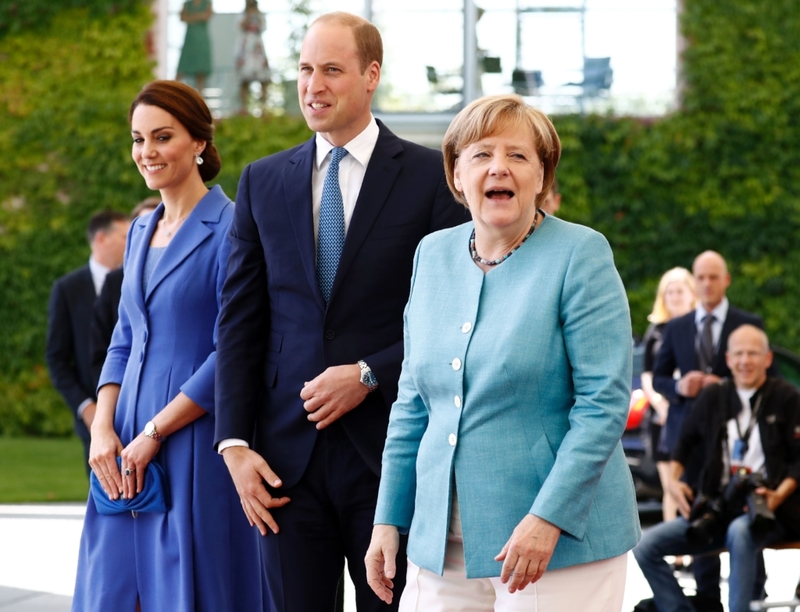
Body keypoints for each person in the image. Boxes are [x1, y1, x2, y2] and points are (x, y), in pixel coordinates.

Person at [214, 11, 468, 612]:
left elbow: (456, 317)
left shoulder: (434, 179)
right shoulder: (262, 182)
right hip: (282, 466)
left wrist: (368, 372)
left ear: (371, 74)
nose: (313, 86)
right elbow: (239, 323)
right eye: (304, 70)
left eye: (331, 70)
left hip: (389, 455)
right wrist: (233, 444)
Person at [365, 94, 640, 611]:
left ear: (542, 176)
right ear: (456, 175)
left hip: (557, 544)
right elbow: (412, 404)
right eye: (481, 154)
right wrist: (388, 518)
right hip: (439, 542)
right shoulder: (433, 254)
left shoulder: (581, 254)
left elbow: (602, 404)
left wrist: (549, 517)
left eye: (518, 155)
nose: (499, 168)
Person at [72, 80, 266, 611]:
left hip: (193, 442)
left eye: (162, 137)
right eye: (138, 139)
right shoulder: (139, 229)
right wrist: (102, 430)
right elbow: (123, 337)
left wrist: (156, 432)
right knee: (109, 590)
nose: (146, 153)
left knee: (189, 587)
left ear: (200, 142)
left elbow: (234, 347)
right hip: (121, 448)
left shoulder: (234, 227)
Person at [634, 325, 800, 612]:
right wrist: (674, 483)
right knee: (646, 546)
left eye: (752, 353)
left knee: (739, 530)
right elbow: (682, 445)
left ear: (768, 359)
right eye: (739, 353)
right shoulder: (714, 397)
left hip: (769, 511)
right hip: (718, 506)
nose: (745, 360)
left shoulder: (786, 397)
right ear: (728, 358)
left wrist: (776, 495)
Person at [652, 250, 769, 608]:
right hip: (690, 434)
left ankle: (752, 591)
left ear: (726, 280)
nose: (706, 284)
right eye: (700, 277)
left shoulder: (746, 324)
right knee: (699, 515)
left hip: (737, 438)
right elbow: (657, 378)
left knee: (743, 514)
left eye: (713, 277)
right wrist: (679, 386)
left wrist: (730, 381)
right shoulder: (677, 326)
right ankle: (706, 599)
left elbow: (768, 379)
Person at [46, 209, 129, 475]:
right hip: (93, 418)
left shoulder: (134, 281)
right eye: (125, 236)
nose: (133, 241)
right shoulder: (67, 289)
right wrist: (87, 408)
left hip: (136, 409)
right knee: (105, 502)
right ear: (102, 239)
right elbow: (56, 358)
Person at [641, 267, 696, 524]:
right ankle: (676, 552)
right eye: (669, 292)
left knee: (694, 482)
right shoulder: (657, 331)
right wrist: (662, 406)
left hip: (693, 413)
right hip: (662, 418)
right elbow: (648, 375)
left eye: (679, 291)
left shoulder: (700, 326)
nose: (674, 296)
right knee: (671, 486)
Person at [89, 197, 160, 387]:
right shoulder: (114, 282)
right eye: (143, 228)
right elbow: (107, 350)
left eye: (159, 226)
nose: (152, 234)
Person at [236, 0, 271, 112]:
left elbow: (263, 27)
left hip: (258, 47)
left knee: (263, 78)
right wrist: (249, 15)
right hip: (245, 48)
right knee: (243, 80)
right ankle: (243, 108)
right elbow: (240, 26)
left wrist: (256, 14)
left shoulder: (260, 14)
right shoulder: (242, 14)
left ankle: (264, 108)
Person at [176, 0, 213, 92]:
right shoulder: (186, 4)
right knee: (181, 68)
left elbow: (206, 16)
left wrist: (191, 17)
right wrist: (199, 16)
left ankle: (200, 97)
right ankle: (173, 92)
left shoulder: (207, 3)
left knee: (201, 71)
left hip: (202, 40)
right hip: (189, 41)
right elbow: (183, 18)